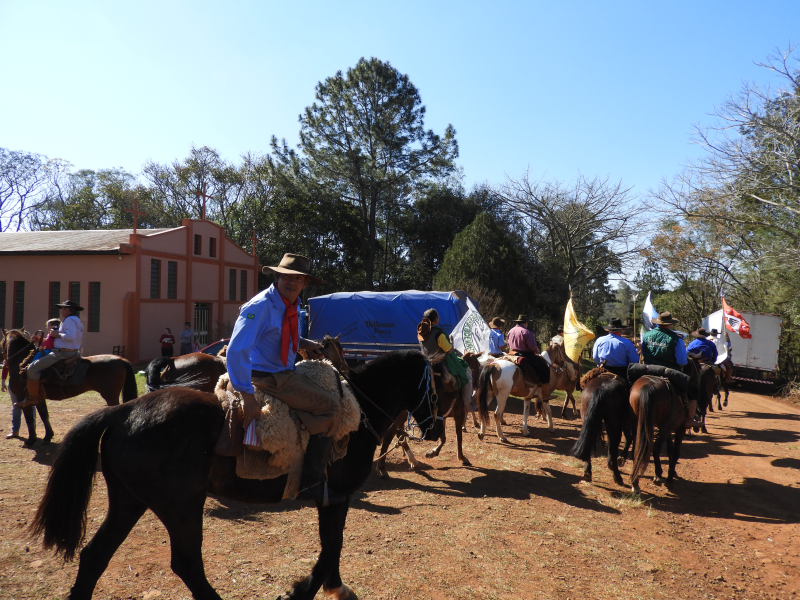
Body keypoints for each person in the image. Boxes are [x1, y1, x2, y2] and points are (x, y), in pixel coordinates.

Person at [226, 253, 344, 505]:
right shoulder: (260, 306)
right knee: (331, 405)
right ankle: (311, 484)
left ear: (304, 283)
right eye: (287, 277)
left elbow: (278, 336)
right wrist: (246, 395)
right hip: (266, 376)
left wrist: (305, 343)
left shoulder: (291, 305)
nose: (292, 282)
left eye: (298, 278)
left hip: (283, 371)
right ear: (277, 277)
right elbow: (237, 350)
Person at [20, 299, 84, 409]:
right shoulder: (75, 319)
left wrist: (56, 334)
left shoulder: (69, 320)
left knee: (32, 368)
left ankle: (33, 397)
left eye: (62, 309)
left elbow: (70, 337)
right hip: (68, 351)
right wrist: (42, 339)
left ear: (67, 309)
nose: (61, 311)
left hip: (62, 353)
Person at [640, 311, 696, 429]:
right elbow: (681, 361)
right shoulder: (676, 339)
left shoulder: (646, 335)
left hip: (647, 370)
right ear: (670, 324)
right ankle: (689, 419)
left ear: (658, 323)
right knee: (691, 392)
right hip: (669, 372)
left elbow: (643, 353)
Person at [416, 308, 476, 413]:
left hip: (425, 364)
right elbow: (448, 350)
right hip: (440, 364)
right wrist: (452, 347)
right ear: (435, 319)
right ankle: (467, 404)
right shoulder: (439, 333)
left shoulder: (422, 332)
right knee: (468, 376)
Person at [506, 315, 551, 400]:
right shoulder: (527, 332)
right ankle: (545, 394)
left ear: (517, 322)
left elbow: (508, 344)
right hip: (524, 354)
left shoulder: (510, 331)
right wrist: (536, 350)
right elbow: (532, 347)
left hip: (511, 354)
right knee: (544, 367)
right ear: (526, 323)